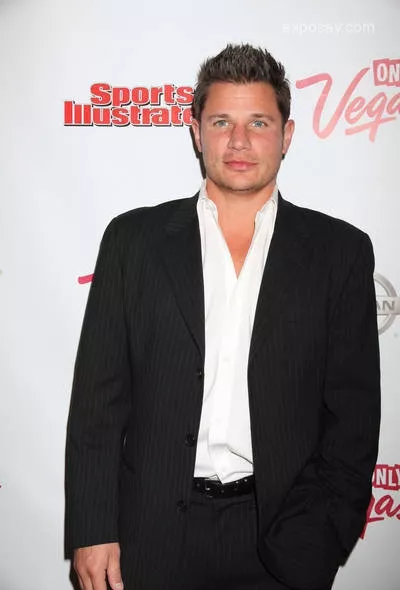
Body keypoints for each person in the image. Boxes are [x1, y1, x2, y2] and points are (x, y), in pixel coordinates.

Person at [65, 44, 381, 590]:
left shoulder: (341, 252)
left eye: (258, 122)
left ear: (286, 135)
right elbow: (98, 403)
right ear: (196, 133)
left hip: (283, 537)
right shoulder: (132, 241)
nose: (239, 141)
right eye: (221, 123)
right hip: (149, 535)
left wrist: (317, 538)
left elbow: (353, 418)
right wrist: (93, 528)